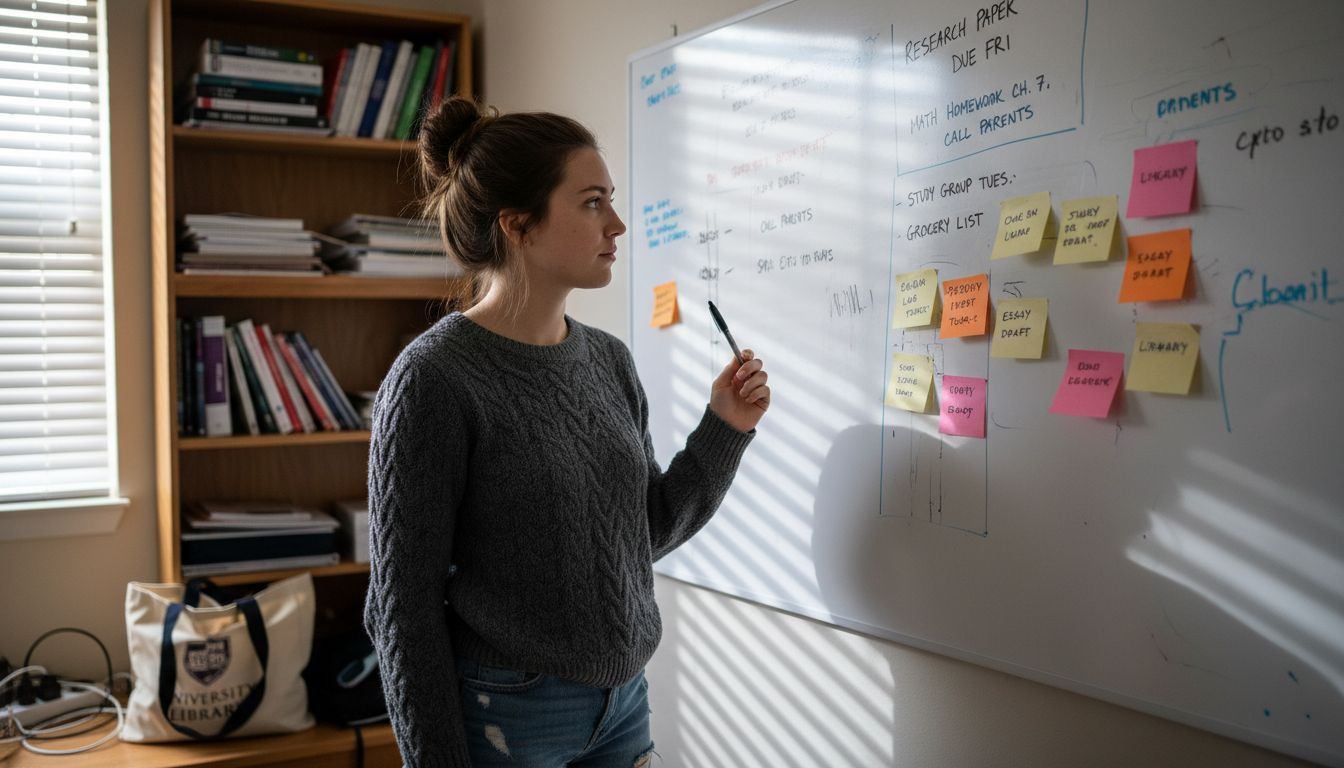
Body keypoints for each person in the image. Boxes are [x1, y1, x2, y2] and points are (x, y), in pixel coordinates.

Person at [363, 96, 771, 768]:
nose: (616, 224)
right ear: (517, 224)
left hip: (624, 704)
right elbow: (401, 612)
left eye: (610, 201)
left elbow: (637, 536)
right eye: (590, 203)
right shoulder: (434, 378)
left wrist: (723, 430)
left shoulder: (609, 359)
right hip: (504, 711)